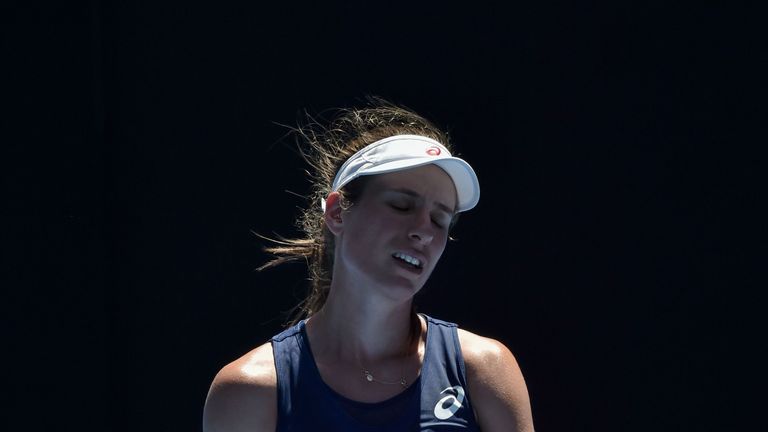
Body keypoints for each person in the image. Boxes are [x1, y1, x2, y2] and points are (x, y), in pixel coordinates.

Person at [203, 98, 534, 431]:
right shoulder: (248, 391)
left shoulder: (485, 370)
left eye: (439, 220)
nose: (423, 232)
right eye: (402, 206)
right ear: (336, 212)